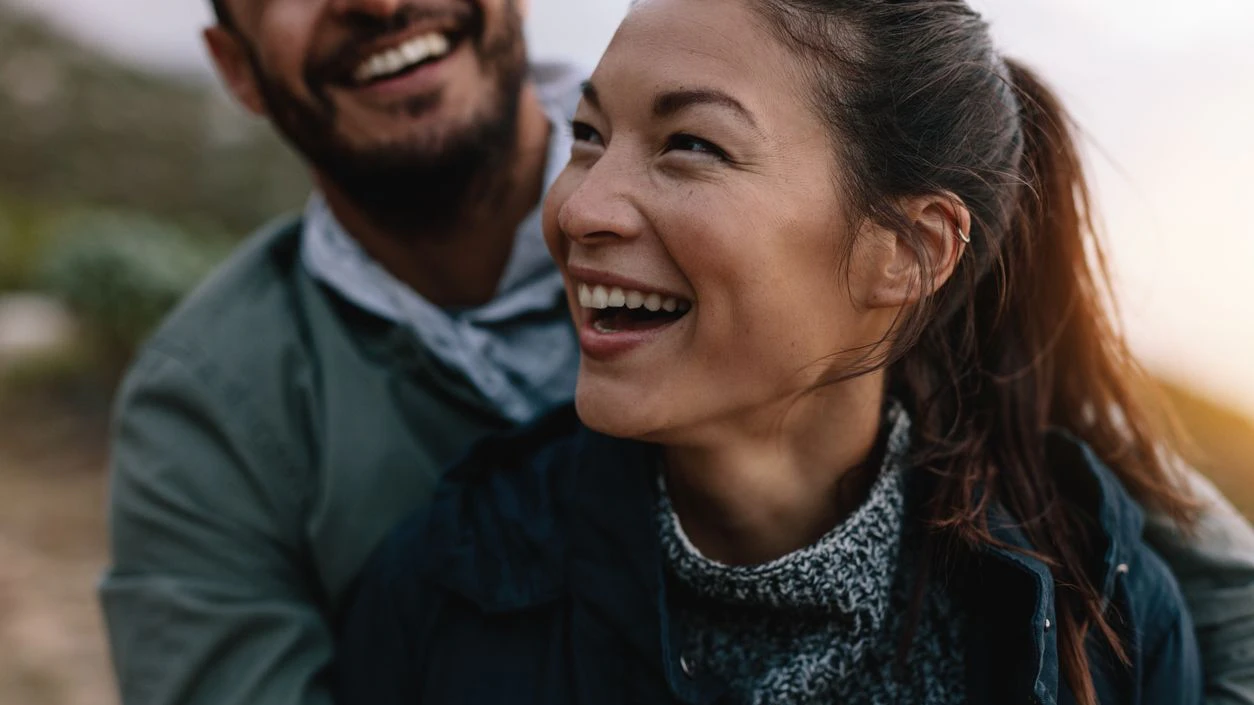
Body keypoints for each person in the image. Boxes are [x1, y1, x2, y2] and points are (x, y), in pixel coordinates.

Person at [99, 1, 1254, 704]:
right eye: (589, 140)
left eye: (689, 145)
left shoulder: (1082, 570)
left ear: (911, 255)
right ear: (236, 67)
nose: (584, 208)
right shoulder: (249, 432)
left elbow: (1203, 584)